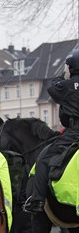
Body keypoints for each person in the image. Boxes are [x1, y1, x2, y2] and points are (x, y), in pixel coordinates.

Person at [24, 49, 79, 214]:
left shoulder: (67, 85)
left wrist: (62, 75)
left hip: (75, 132)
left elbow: (52, 89)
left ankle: (38, 200)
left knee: (43, 159)